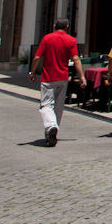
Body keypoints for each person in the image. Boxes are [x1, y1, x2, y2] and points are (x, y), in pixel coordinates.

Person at [30, 18, 85, 147]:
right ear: (67, 26)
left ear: (54, 26)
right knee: (59, 106)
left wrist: (32, 72)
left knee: (46, 105)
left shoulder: (47, 38)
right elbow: (75, 59)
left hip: (48, 78)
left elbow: (37, 57)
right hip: (63, 78)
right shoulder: (71, 40)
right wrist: (81, 75)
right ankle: (52, 132)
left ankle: (51, 127)